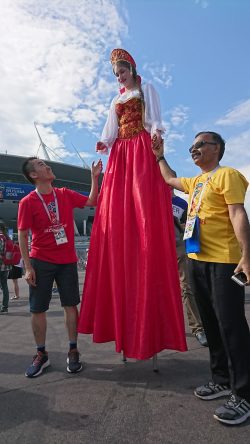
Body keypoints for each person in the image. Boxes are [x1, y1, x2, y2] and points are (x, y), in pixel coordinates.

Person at [78, 48, 187, 360]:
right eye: (116, 73)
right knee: (116, 206)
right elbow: (111, 128)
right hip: (121, 153)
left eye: (122, 71)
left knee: (142, 199)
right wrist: (106, 142)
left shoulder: (145, 89)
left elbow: (155, 120)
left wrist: (156, 140)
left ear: (131, 69)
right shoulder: (115, 100)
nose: (119, 76)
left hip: (139, 147)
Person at [152, 131, 250, 425]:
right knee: (210, 322)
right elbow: (170, 179)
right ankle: (221, 379)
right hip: (196, 260)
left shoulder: (227, 175)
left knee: (231, 326)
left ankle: (244, 394)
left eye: (200, 145)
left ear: (216, 148)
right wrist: (159, 155)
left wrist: (247, 254)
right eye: (192, 146)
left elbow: (237, 213)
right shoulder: (196, 182)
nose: (194, 149)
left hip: (224, 262)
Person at [18, 156, 102, 378]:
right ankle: (41, 354)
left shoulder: (63, 194)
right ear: (34, 175)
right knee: (38, 309)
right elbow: (23, 234)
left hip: (67, 260)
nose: (47, 166)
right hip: (41, 260)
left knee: (70, 305)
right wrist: (28, 267)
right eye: (41, 165)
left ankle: (73, 349)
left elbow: (92, 201)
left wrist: (94, 178)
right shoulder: (27, 202)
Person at [172, 191, 207, 347]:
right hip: (156, 250)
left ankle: (198, 329)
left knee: (186, 287)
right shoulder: (150, 198)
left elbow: (188, 225)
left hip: (179, 248)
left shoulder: (181, 203)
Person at [0, 222, 10, 314]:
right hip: (6, 266)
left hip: (0, 265)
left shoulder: (0, 238)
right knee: (5, 287)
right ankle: (5, 307)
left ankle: (2, 307)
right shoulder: (7, 238)